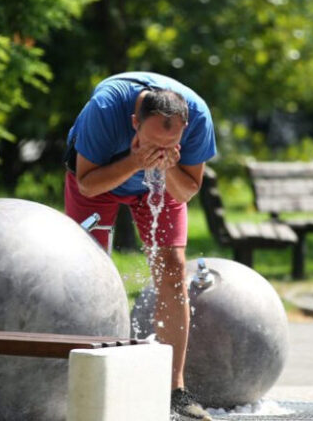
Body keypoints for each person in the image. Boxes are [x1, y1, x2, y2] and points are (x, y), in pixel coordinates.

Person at [64, 72, 216, 420]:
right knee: (84, 273)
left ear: (185, 126)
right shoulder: (104, 108)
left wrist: (169, 165)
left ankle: (174, 390)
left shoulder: (199, 116)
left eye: (169, 145)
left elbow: (187, 191)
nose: (159, 151)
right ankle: (79, 374)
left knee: (174, 270)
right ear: (134, 122)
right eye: (152, 144)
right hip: (99, 176)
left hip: (160, 185)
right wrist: (136, 161)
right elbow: (87, 184)